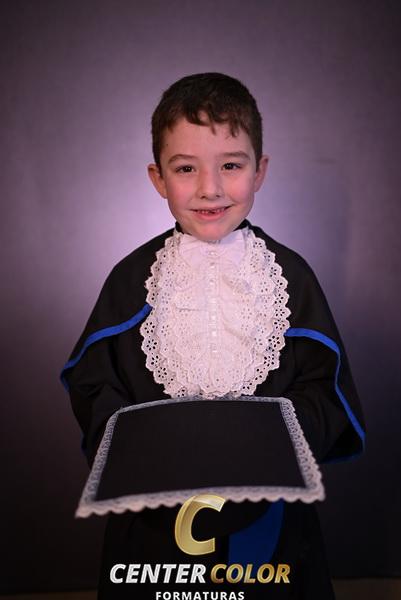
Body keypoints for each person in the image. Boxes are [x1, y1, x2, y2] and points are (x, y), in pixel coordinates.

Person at [61, 72, 365, 599]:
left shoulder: (290, 278)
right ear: (158, 178)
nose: (210, 188)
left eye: (231, 165)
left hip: (269, 524)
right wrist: (143, 446)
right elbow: (94, 386)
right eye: (186, 168)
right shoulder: (130, 280)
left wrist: (264, 439)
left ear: (259, 171)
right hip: (154, 526)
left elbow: (325, 391)